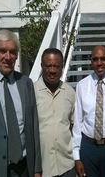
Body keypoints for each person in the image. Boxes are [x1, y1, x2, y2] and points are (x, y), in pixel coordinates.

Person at [0, 29, 42, 177]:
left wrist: (36, 168)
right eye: (3, 51)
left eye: (12, 52)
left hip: (23, 169)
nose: (8, 57)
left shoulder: (26, 83)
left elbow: (33, 128)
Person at [72, 45, 105, 177]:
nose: (99, 63)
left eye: (103, 59)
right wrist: (76, 156)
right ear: (91, 61)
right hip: (88, 147)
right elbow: (78, 122)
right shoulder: (82, 85)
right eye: (95, 59)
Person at [34, 48, 76, 177]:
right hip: (43, 168)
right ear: (42, 66)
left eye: (56, 66)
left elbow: (74, 126)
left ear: (62, 67)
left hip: (67, 165)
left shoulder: (70, 92)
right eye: (48, 66)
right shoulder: (31, 92)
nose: (52, 70)